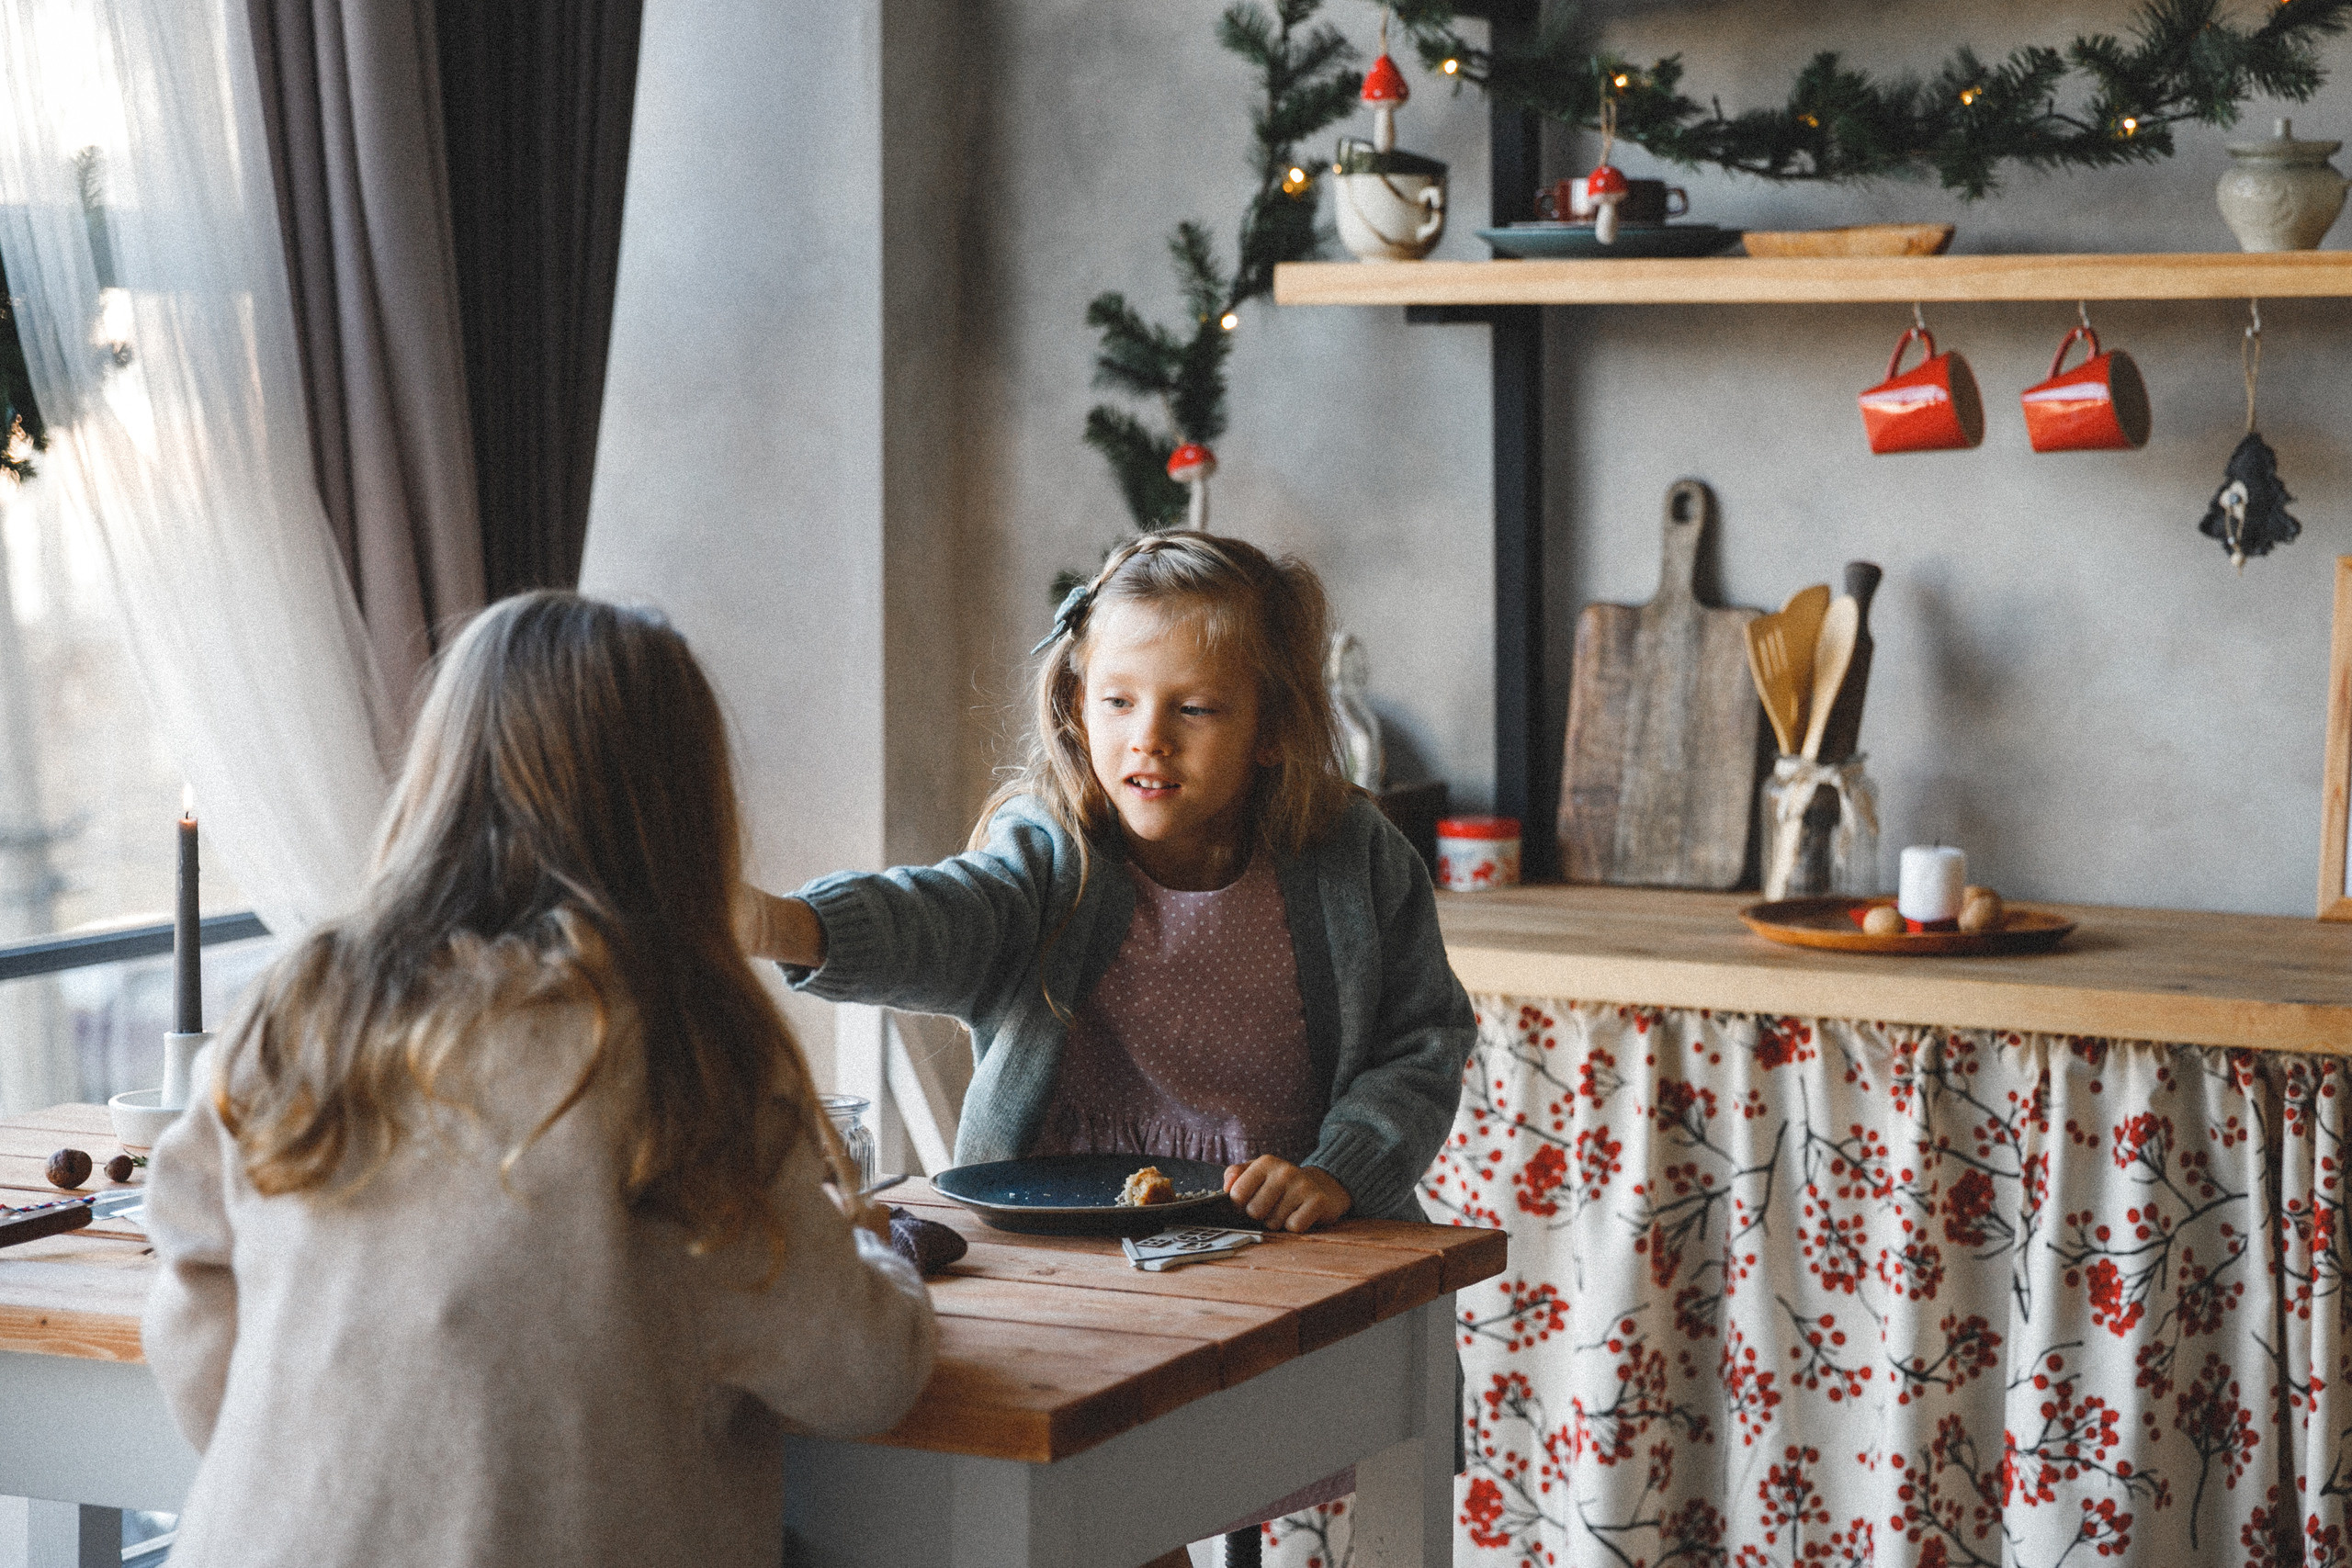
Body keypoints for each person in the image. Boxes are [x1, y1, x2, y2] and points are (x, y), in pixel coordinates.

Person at [141, 592, 937, 1568]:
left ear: (437, 777)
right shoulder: (687, 1051)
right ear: (686, 813)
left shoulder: (304, 998)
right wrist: (876, 1253)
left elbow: (191, 1282)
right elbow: (859, 1375)